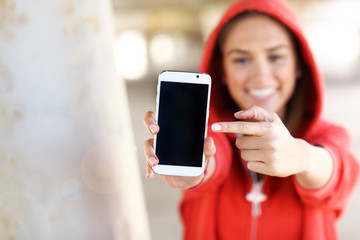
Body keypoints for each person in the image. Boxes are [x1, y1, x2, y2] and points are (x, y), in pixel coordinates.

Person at [143, 0, 359, 239]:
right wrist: (196, 168)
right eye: (241, 60)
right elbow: (215, 159)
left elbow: (338, 171)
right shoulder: (208, 131)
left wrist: (302, 156)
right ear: (222, 70)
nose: (260, 75)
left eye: (276, 57)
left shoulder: (329, 136)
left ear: (299, 65)